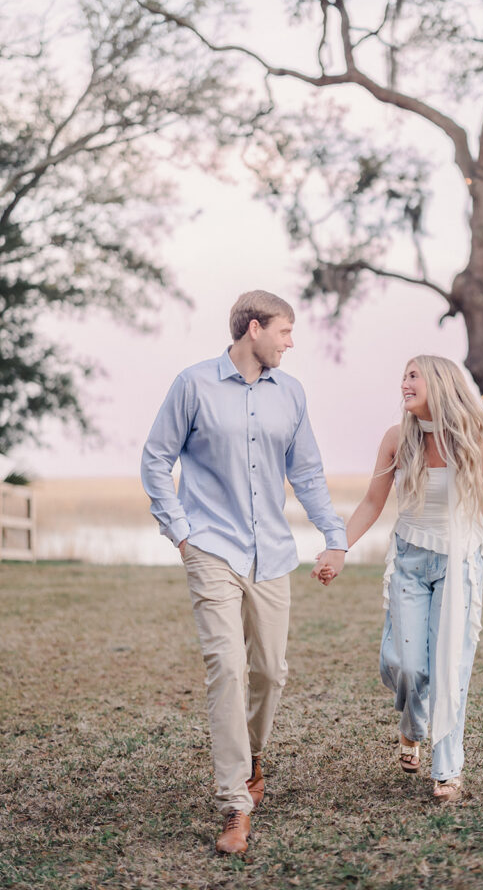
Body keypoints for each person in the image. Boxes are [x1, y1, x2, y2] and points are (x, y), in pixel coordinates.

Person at [141, 290, 347, 854]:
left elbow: (306, 473)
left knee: (270, 671)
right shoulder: (193, 385)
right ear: (252, 329)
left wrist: (335, 537)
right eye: (284, 330)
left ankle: (254, 754)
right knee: (226, 668)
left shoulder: (292, 394)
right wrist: (180, 532)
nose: (290, 341)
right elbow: (156, 458)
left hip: (272, 555)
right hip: (210, 547)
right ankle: (235, 804)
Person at [323, 354, 483, 802]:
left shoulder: (471, 439)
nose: (404, 382)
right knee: (404, 664)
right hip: (410, 562)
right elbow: (371, 503)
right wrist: (337, 548)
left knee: (449, 668)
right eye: (403, 375)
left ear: (439, 383)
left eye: (413, 375)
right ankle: (412, 728)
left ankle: (447, 770)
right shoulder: (397, 439)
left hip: (459, 563)